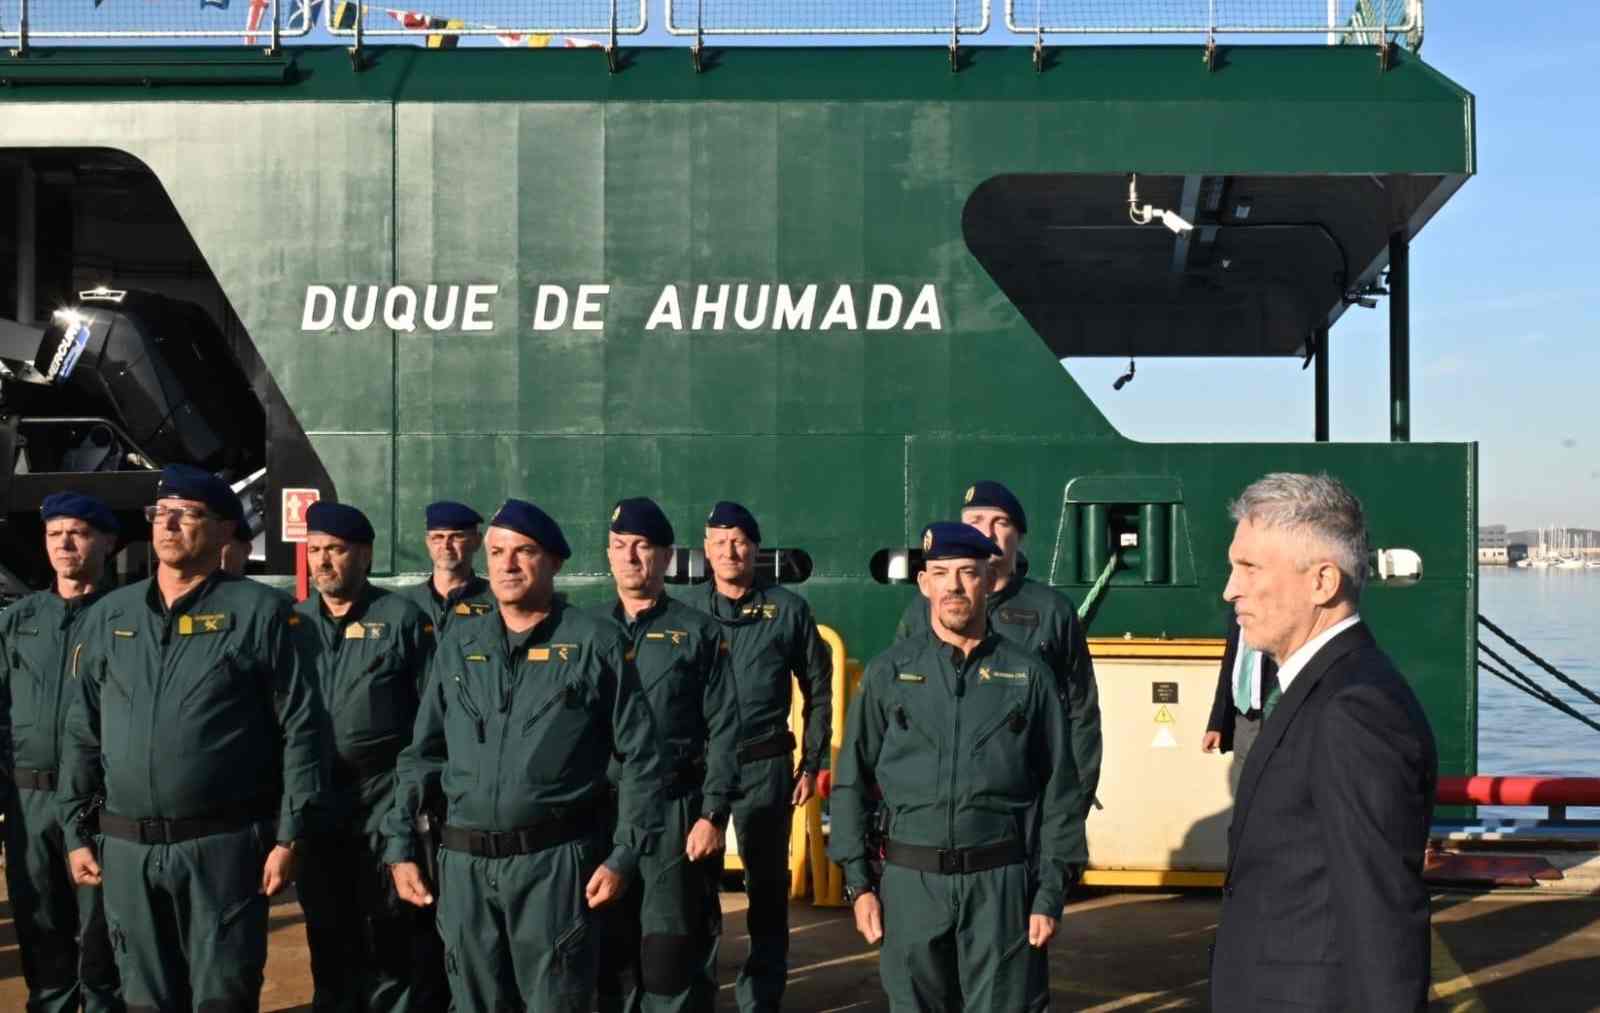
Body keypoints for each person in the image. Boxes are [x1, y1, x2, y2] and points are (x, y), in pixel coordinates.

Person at [58, 463, 327, 1012]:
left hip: (223, 848)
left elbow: (303, 729)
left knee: (221, 996)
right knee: (144, 998)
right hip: (127, 850)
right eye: (162, 514)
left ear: (226, 530)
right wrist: (73, 827)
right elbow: (82, 731)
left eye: (188, 515)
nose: (169, 525)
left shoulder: (262, 614)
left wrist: (289, 836)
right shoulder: (111, 616)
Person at [384, 499, 663, 1013]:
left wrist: (625, 854)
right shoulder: (459, 643)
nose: (506, 565)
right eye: (496, 552)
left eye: (523, 552)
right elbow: (422, 753)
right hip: (464, 869)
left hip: (553, 868)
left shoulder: (595, 643)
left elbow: (643, 758)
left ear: (554, 562)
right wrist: (399, 845)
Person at [831, 522, 1086, 1012]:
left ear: (989, 581)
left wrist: (1050, 892)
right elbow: (850, 781)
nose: (953, 585)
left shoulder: (1028, 676)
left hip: (1001, 888)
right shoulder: (889, 674)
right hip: (910, 884)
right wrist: (859, 884)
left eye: (968, 573)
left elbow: (1060, 788)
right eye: (941, 573)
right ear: (924, 584)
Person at [1211, 473, 1438, 1012]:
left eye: (1249, 568)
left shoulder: (1352, 710)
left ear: (1322, 583)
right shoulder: (1318, 688)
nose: (1229, 589)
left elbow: (1382, 913)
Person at [292, 502, 447, 1013]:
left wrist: (410, 809)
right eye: (314, 551)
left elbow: (430, 726)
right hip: (317, 813)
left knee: (393, 949)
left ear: (364, 555)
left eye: (334, 550)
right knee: (329, 946)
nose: (322, 562)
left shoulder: (403, 621)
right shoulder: (293, 626)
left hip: (385, 810)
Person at [590, 497, 741, 1013]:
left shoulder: (699, 632)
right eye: (620, 546)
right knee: (606, 952)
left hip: (673, 812)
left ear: (665, 557)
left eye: (643, 547)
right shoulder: (584, 634)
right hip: (602, 813)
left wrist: (712, 814)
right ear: (608, 555)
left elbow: (725, 728)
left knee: (671, 952)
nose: (631, 557)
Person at [685, 501, 831, 1013]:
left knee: (767, 893)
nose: (730, 549)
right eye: (719, 540)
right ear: (706, 549)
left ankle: (760, 1000)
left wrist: (812, 764)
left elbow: (817, 685)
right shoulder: (686, 614)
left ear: (755, 549)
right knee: (695, 893)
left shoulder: (787, 611)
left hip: (764, 769)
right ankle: (699, 996)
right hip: (699, 772)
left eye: (740, 540)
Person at [896, 480, 1101, 816]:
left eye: (1000, 523)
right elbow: (895, 702)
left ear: (1018, 535)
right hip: (935, 803)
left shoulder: (1052, 612)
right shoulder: (922, 610)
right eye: (975, 521)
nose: (987, 533)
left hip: (1027, 800)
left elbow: (1081, 713)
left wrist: (1072, 805)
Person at [0, 493, 123, 1013]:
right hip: (28, 799)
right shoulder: (19, 619)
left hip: (101, 802)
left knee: (103, 938)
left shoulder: (126, 615)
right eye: (55, 534)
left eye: (78, 533)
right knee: (41, 929)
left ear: (107, 541)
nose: (65, 545)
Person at [396, 500, 493, 633]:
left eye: (456, 536)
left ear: (476, 541)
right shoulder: (403, 603)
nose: (446, 546)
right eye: (438, 537)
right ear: (428, 542)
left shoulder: (496, 602)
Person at [1201, 611, 1280, 756]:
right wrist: (1216, 723)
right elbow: (1229, 667)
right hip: (1242, 721)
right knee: (1242, 778)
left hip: (1271, 721)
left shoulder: (1280, 607)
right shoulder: (1237, 611)